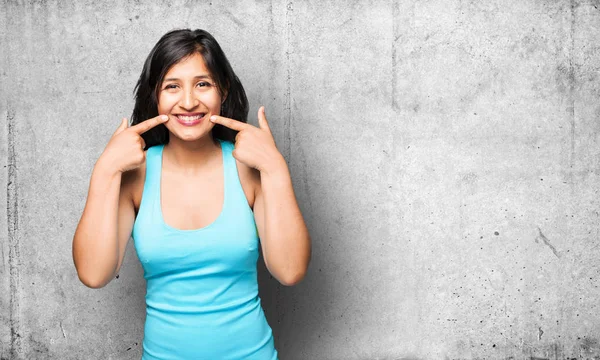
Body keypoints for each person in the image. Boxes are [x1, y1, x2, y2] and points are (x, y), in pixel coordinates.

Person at [72, 28, 311, 359]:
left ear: (222, 90)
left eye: (203, 83)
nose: (188, 101)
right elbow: (93, 274)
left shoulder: (248, 169)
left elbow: (290, 270)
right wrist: (104, 172)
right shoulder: (135, 176)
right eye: (172, 86)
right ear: (155, 96)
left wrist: (275, 169)